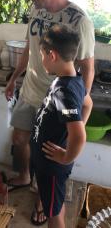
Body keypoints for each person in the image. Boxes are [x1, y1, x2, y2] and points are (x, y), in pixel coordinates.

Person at [5, 0, 95, 224]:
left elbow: (88, 67)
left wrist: (76, 114)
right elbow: (28, 49)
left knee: (47, 158)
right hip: (30, 92)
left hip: (57, 105)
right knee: (20, 140)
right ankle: (24, 176)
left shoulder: (79, 20)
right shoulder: (36, 11)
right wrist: (13, 79)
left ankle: (44, 201)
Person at [30, 25, 93, 228]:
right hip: (52, 163)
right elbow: (88, 104)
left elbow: (79, 136)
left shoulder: (64, 92)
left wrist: (66, 157)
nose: (42, 60)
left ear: (52, 55)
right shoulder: (74, 80)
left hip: (52, 166)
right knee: (55, 205)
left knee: (53, 215)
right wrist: (70, 135)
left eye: (42, 55)